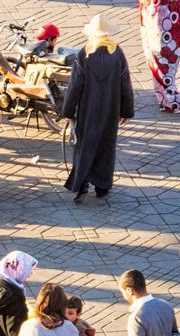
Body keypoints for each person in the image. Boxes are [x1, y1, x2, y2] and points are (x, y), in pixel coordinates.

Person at [60, 14, 134, 202]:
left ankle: (82, 184)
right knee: (106, 147)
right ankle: (102, 187)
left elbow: (75, 86)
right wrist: (126, 110)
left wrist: (68, 111)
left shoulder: (84, 54)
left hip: (87, 110)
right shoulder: (117, 53)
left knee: (84, 146)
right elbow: (125, 83)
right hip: (110, 110)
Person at [139, 0, 180, 112]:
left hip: (153, 8)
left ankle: (165, 97)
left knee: (159, 53)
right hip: (162, 10)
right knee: (164, 54)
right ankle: (169, 99)